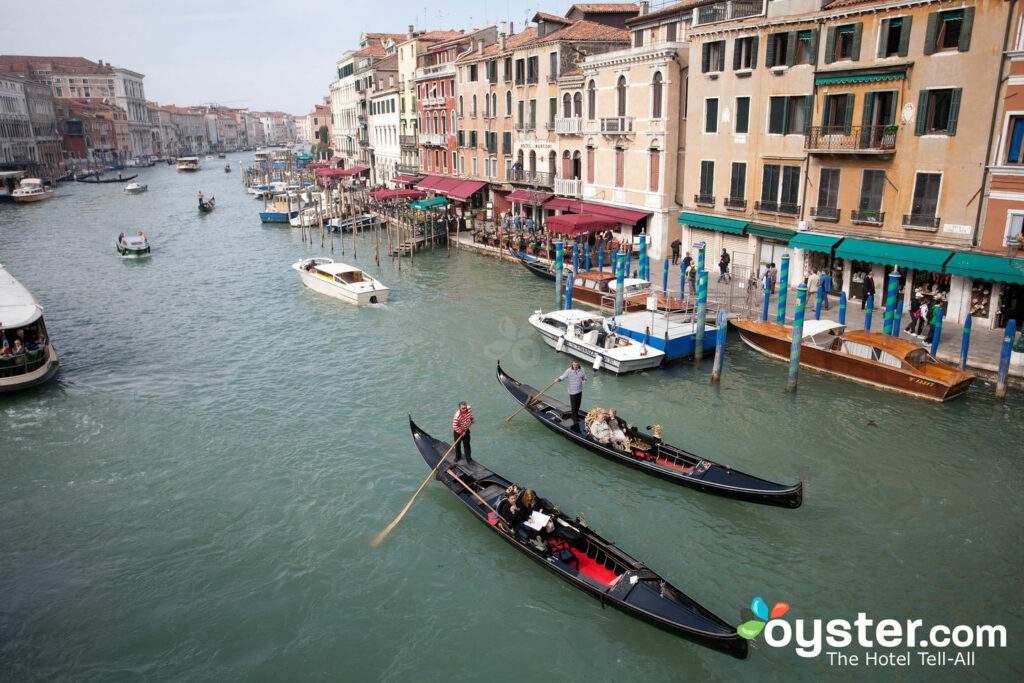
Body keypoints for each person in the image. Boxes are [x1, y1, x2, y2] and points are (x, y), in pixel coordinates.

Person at [556, 361, 587, 432]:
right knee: (574, 406)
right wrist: (559, 379)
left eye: (576, 365)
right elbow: (563, 376)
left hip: (579, 390)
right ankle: (574, 419)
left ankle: (574, 416)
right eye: (574, 365)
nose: (575, 367)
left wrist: (584, 380)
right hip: (572, 391)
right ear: (572, 364)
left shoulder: (582, 369)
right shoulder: (569, 371)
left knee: (578, 405)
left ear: (578, 364)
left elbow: (584, 376)